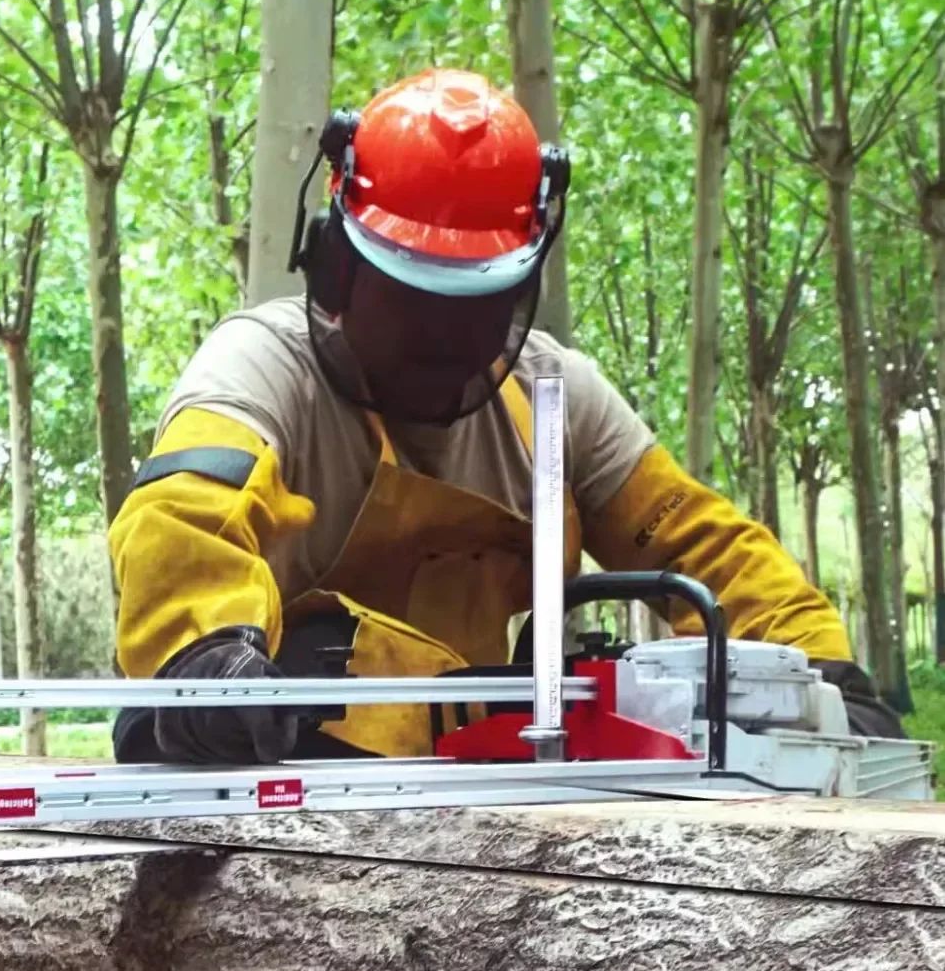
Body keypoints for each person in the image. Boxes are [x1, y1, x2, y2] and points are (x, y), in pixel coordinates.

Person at [107, 67, 904, 765]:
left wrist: (821, 676)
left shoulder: (557, 396)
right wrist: (207, 655)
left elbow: (708, 549)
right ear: (336, 268)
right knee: (310, 655)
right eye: (411, 296)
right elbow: (179, 523)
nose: (440, 335)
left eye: (470, 303)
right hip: (278, 753)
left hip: (482, 764)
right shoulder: (258, 366)